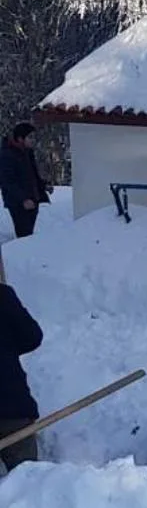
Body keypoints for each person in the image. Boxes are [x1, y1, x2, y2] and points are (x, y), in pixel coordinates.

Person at [0, 277, 43, 473]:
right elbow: (32, 337)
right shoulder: (2, 295)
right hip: (13, 408)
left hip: (13, 409)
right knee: (28, 483)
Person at [0, 122, 50, 239]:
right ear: (20, 138)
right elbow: (8, 182)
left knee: (31, 233)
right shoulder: (7, 155)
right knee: (24, 234)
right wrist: (23, 199)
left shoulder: (28, 152)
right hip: (18, 203)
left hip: (33, 199)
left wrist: (43, 186)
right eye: (30, 137)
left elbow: (33, 175)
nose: (33, 140)